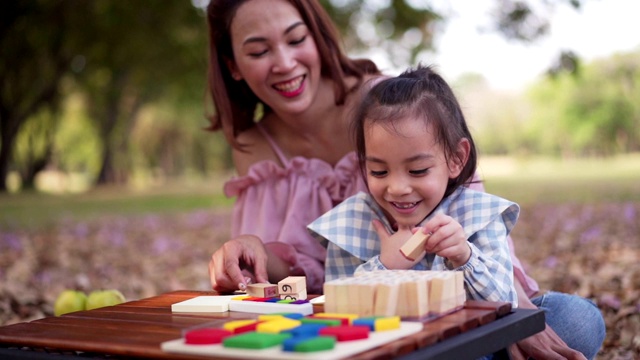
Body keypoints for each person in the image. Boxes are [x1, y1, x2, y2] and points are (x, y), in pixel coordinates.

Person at [204, 0, 605, 359]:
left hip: (474, 296)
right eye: (258, 51)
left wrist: (516, 317)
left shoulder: (388, 107)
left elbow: (466, 210)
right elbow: (313, 278)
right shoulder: (251, 145)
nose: (285, 62)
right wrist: (251, 247)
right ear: (233, 65)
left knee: (574, 321)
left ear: (318, 36)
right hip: (377, 322)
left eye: (296, 39)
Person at [308, 64, 518, 306]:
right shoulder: (350, 224)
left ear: (456, 158)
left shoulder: (478, 214)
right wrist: (384, 267)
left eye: (417, 170)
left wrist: (464, 256)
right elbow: (339, 309)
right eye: (379, 171)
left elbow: (507, 307)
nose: (397, 188)